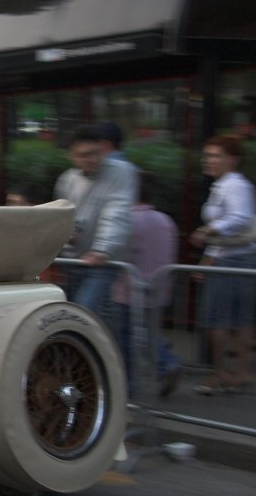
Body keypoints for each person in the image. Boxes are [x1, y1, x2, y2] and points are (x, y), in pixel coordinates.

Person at [188, 134, 256, 396]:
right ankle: (239, 373)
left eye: (216, 156)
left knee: (217, 318)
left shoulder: (234, 185)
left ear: (233, 159)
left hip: (237, 259)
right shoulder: (226, 185)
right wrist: (209, 257)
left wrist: (209, 229)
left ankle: (221, 373)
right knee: (236, 319)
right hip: (236, 257)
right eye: (208, 155)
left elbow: (240, 219)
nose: (209, 160)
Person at [53, 125, 136, 319]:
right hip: (74, 259)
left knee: (83, 314)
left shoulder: (121, 172)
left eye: (96, 153)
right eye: (84, 155)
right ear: (71, 156)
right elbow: (62, 213)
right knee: (90, 315)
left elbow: (117, 211)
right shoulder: (67, 179)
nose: (92, 159)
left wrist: (103, 249)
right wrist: (67, 233)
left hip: (103, 261)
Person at [111, 172, 181, 396]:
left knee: (126, 337)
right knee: (149, 331)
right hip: (158, 289)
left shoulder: (129, 221)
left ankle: (132, 383)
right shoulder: (164, 220)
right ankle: (167, 363)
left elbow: (121, 253)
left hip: (129, 289)